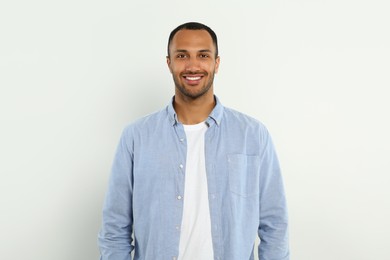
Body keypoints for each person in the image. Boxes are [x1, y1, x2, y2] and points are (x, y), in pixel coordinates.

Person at [98, 22, 289, 260]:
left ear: (216, 63)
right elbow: (115, 228)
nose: (192, 65)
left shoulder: (253, 135)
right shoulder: (136, 137)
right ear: (169, 63)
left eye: (203, 55)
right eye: (182, 55)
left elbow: (275, 225)